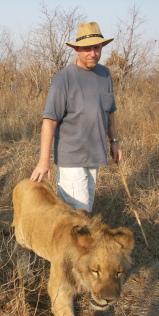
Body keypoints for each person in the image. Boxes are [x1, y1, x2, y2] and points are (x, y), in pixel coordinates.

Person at [30, 22, 122, 212]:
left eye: (96, 48)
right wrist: (43, 161)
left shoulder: (105, 74)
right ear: (76, 50)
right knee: (78, 213)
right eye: (87, 49)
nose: (93, 53)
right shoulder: (64, 78)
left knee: (85, 209)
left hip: (95, 155)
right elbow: (49, 121)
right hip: (71, 157)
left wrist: (114, 141)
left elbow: (109, 111)